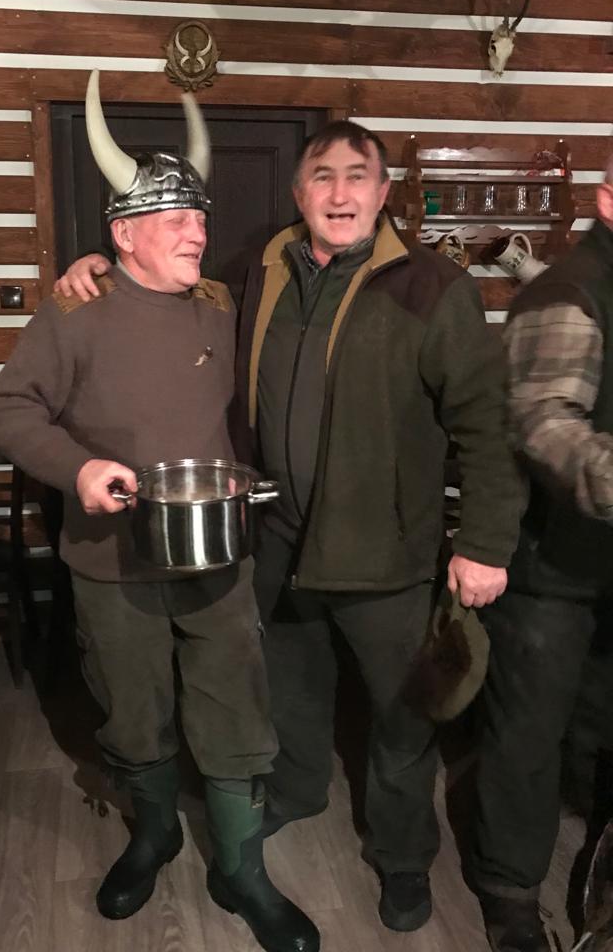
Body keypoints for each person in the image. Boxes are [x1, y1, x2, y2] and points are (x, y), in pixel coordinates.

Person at [56, 118, 524, 934]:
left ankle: (402, 857)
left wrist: (484, 544)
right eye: (322, 177)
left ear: (384, 192)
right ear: (299, 192)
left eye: (357, 176)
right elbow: (160, 278)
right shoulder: (255, 271)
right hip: (277, 543)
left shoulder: (433, 288)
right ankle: (299, 794)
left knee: (403, 717)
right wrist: (99, 264)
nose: (339, 193)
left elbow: (488, 424)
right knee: (293, 697)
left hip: (387, 555)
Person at [0, 71, 318, 952]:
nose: (197, 232)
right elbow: (8, 409)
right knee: (133, 709)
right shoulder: (76, 311)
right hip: (113, 557)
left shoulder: (219, 307)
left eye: (199, 218)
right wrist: (79, 467)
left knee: (235, 707)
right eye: (174, 219)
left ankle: (241, 868)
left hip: (217, 553)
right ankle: (154, 834)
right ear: (124, 234)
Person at [468, 160, 613, 952]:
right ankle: (510, 896)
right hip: (553, 566)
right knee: (528, 737)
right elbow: (544, 424)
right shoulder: (567, 293)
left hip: (604, 560)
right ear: (608, 199)